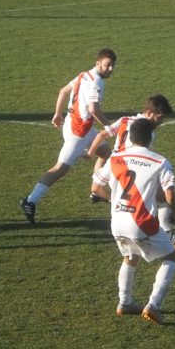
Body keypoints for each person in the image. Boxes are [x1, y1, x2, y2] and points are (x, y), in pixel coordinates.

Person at [93, 118, 175, 325]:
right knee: (171, 257)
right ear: (150, 138)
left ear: (129, 137)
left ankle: (125, 303)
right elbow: (169, 193)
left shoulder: (116, 157)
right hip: (141, 221)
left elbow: (96, 188)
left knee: (130, 257)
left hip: (117, 221)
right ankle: (154, 305)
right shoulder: (159, 161)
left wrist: (114, 201)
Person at [20, 48, 116, 224]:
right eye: (107, 65)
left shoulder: (83, 75)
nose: (110, 69)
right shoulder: (96, 83)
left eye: (112, 66)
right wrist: (110, 127)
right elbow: (93, 109)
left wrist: (57, 114)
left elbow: (63, 91)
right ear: (98, 63)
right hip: (78, 133)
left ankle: (97, 189)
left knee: (106, 153)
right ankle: (30, 201)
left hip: (76, 125)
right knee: (60, 169)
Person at [86, 94, 175, 248]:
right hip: (132, 172)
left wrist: (91, 152)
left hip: (115, 170)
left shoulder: (124, 120)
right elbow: (143, 158)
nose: (161, 122)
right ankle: (166, 234)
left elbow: (102, 134)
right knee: (165, 196)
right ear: (150, 113)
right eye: (160, 117)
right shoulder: (148, 132)